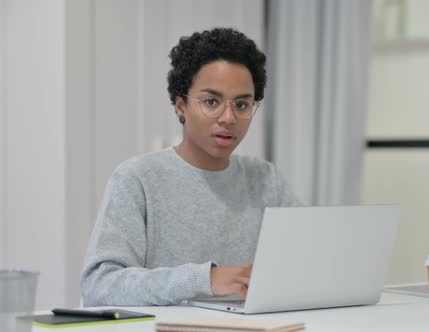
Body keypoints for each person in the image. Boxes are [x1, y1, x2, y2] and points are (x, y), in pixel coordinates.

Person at [80, 28, 299, 306]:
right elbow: (99, 285)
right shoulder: (137, 178)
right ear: (181, 106)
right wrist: (204, 280)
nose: (229, 117)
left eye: (242, 104)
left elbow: (309, 259)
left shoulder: (266, 179)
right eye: (211, 102)